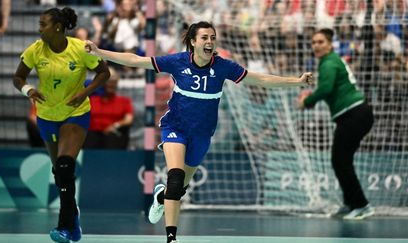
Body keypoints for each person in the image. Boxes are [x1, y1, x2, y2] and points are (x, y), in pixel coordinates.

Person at [85, 21, 312, 243]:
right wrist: (100, 52)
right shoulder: (177, 61)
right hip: (175, 128)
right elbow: (136, 60)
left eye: (212, 38)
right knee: (174, 178)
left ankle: (160, 197)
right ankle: (172, 238)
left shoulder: (223, 67)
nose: (209, 42)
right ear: (193, 42)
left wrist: (296, 81)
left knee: (179, 188)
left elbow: (260, 79)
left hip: (201, 135)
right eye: (204, 37)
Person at [12, 7, 110, 243]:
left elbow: (104, 73)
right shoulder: (36, 49)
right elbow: (18, 78)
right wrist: (29, 90)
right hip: (46, 116)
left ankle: (64, 228)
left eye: (43, 24)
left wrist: (84, 92)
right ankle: (73, 220)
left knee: (65, 167)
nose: (39, 28)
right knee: (59, 173)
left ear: (57, 27)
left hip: (75, 113)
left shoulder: (80, 48)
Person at [297, 28, 374, 220]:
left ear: (330, 44)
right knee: (341, 160)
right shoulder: (331, 61)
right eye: (314, 42)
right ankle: (351, 203)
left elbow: (325, 88)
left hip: (353, 114)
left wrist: (307, 101)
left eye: (321, 42)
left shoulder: (328, 63)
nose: (316, 45)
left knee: (340, 160)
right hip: (355, 114)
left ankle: (361, 205)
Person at [83, 66, 134, 149]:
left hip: (112, 132)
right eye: (109, 82)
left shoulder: (124, 101)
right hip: (92, 133)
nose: (111, 85)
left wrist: (115, 125)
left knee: (111, 137)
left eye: (114, 82)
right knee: (89, 137)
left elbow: (128, 119)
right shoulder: (91, 100)